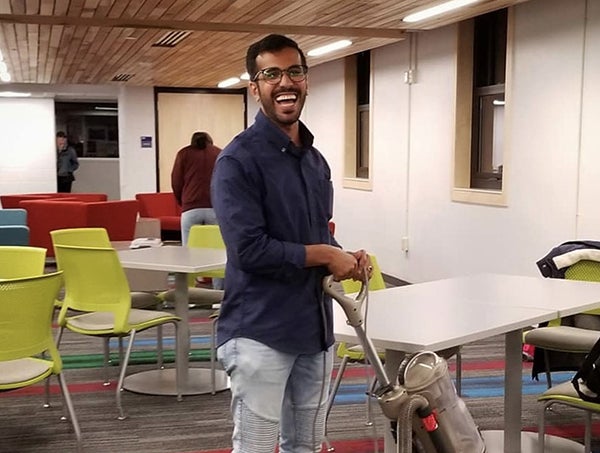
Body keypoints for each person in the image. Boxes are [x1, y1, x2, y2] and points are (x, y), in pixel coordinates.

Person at [210, 34, 372, 453]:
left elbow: (318, 233)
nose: (286, 82)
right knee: (258, 447)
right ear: (255, 86)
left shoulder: (315, 161)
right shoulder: (237, 161)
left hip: (313, 329)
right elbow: (249, 250)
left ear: (306, 79)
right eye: (272, 74)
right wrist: (323, 254)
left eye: (295, 71)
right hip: (259, 331)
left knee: (307, 445)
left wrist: (344, 255)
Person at [171, 131, 222, 246]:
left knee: (188, 250)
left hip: (190, 208)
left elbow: (176, 181)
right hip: (214, 208)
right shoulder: (219, 153)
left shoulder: (183, 154)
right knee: (216, 249)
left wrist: (182, 201)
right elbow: (225, 180)